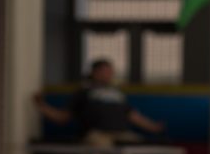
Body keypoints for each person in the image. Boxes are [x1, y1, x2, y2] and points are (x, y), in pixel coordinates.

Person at [33, 58, 164, 147]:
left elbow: (133, 115)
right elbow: (63, 117)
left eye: (110, 71)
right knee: (102, 148)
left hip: (121, 133)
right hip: (97, 134)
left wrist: (153, 127)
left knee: (139, 147)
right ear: (94, 72)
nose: (109, 74)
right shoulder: (84, 91)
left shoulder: (117, 93)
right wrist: (41, 105)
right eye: (105, 71)